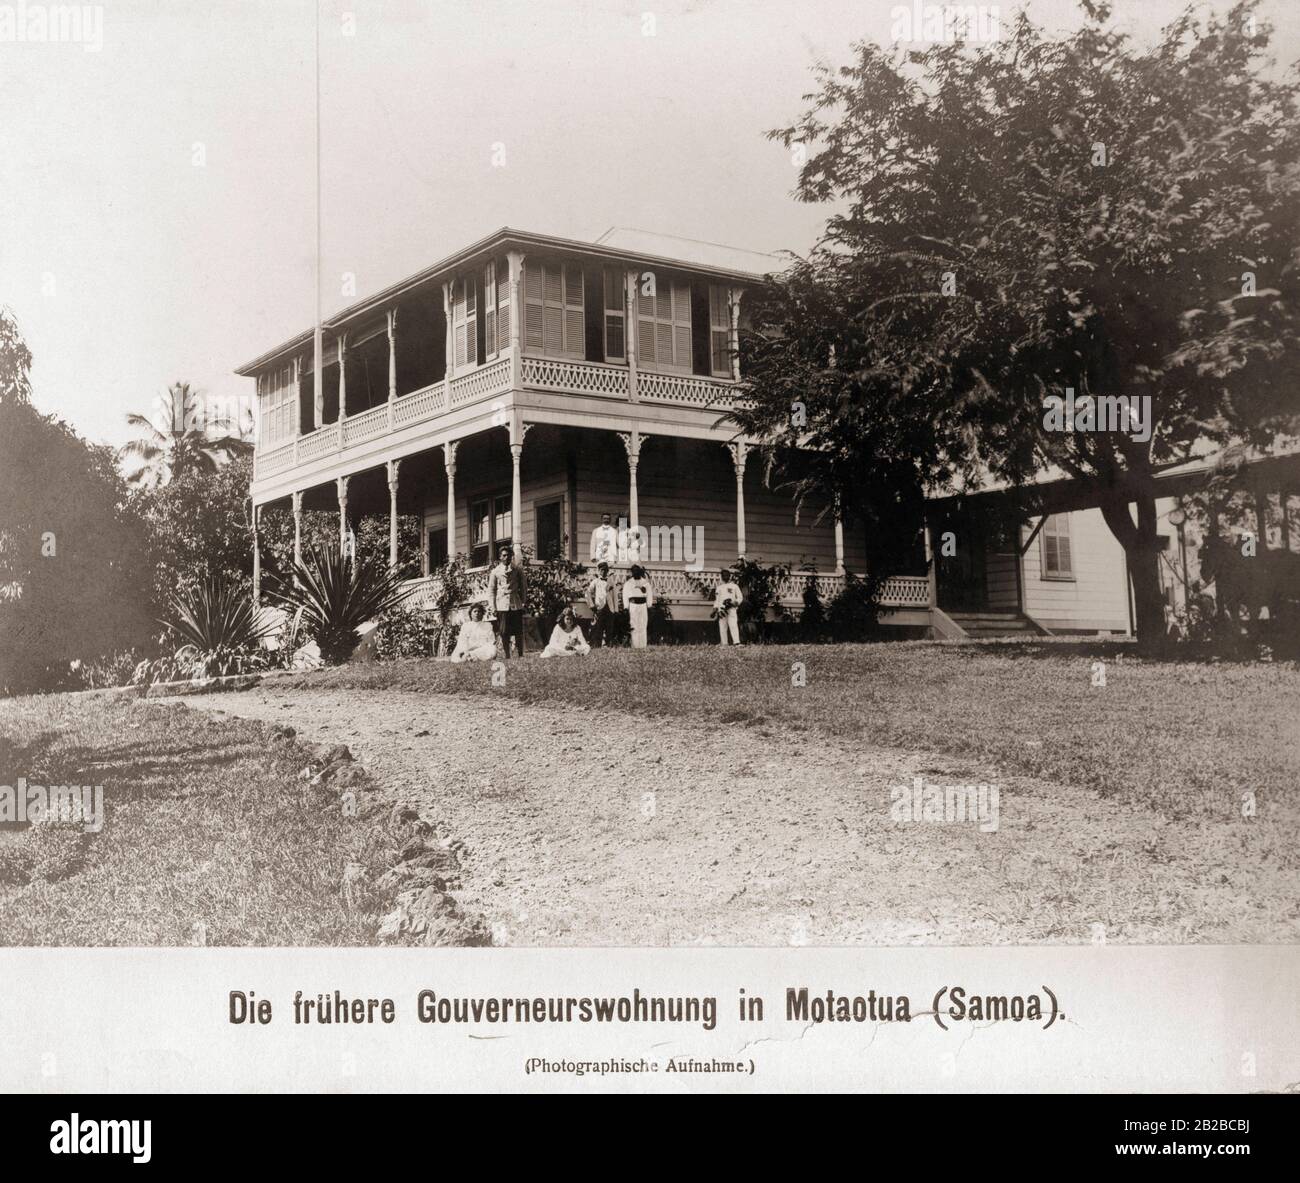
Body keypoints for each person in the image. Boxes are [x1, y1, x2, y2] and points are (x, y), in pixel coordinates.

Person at [486, 545, 527, 658]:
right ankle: (507, 654)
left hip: (515, 603)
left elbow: (523, 587)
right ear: (500, 557)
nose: (507, 557)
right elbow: (491, 590)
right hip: (502, 605)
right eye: (504, 555)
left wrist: (523, 602)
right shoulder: (495, 572)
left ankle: (520, 654)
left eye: (509, 555)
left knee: (518, 631)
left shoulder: (517, 570)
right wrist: (493, 607)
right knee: (504, 632)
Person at [585, 561, 619, 647]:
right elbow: (588, 593)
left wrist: (616, 609)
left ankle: (608, 645)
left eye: (605, 570)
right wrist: (592, 605)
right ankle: (597, 645)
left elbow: (615, 595)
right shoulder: (595, 582)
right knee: (598, 627)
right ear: (599, 571)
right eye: (602, 570)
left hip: (610, 607)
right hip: (599, 607)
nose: (603, 572)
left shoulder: (611, 582)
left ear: (608, 571)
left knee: (609, 627)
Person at [622, 563, 655, 649]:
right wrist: (626, 607)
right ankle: (635, 645)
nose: (635, 573)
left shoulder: (645, 583)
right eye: (634, 571)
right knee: (634, 625)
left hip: (643, 605)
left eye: (637, 571)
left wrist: (649, 605)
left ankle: (643, 645)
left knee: (643, 625)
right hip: (633, 606)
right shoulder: (628, 583)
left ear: (640, 572)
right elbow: (625, 595)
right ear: (632, 572)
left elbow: (649, 594)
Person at [714, 567, 744, 646]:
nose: (725, 577)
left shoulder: (734, 586)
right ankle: (724, 643)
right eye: (723, 575)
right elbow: (717, 600)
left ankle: (736, 642)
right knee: (722, 626)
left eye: (727, 575)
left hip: (731, 608)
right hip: (722, 610)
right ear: (721, 577)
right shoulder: (719, 588)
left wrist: (734, 603)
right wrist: (715, 609)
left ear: (729, 576)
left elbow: (740, 597)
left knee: (733, 624)